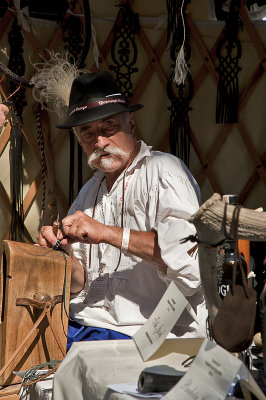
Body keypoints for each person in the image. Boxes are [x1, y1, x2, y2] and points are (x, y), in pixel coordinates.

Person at [37, 71, 207, 350]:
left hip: (147, 335)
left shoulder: (164, 172)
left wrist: (106, 233)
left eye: (109, 127)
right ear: (79, 142)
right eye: (88, 134)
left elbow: (190, 258)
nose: (100, 142)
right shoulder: (88, 193)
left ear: (131, 123)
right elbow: (79, 284)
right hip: (86, 326)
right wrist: (61, 255)